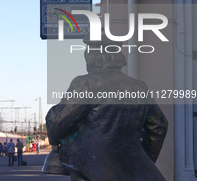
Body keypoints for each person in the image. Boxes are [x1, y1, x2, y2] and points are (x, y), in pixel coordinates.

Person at [44, 36, 168, 181]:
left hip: (91, 171)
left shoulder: (86, 83)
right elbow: (159, 126)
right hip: (137, 171)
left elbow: (58, 122)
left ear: (92, 56)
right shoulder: (139, 87)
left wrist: (56, 136)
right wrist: (142, 159)